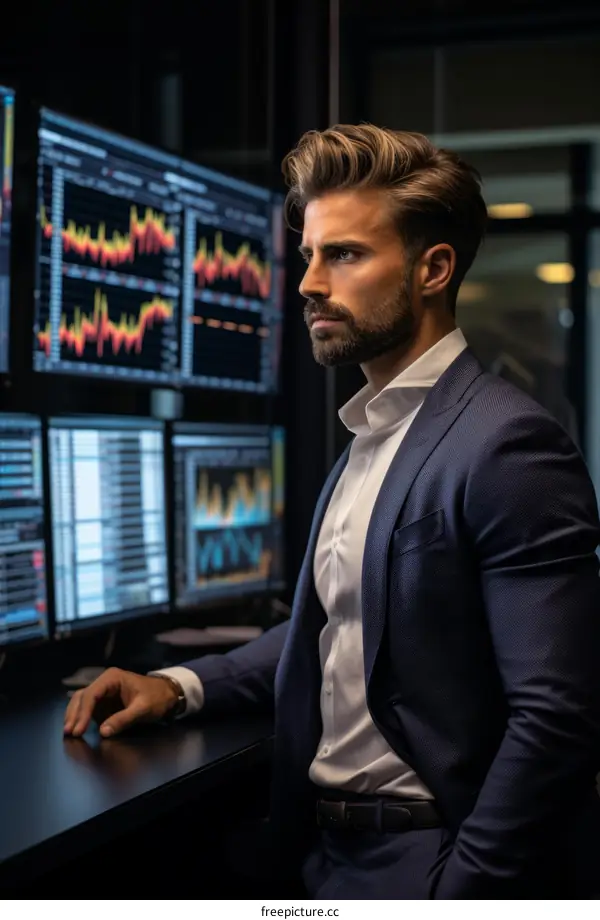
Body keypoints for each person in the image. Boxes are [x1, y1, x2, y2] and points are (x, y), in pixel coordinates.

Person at [64, 124, 600, 899]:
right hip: (328, 857)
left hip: (424, 862)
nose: (310, 282)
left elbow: (558, 718)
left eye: (344, 254)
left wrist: (461, 899)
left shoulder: (506, 444)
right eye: (310, 254)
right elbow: (340, 627)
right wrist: (178, 685)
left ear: (432, 269)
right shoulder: (375, 433)